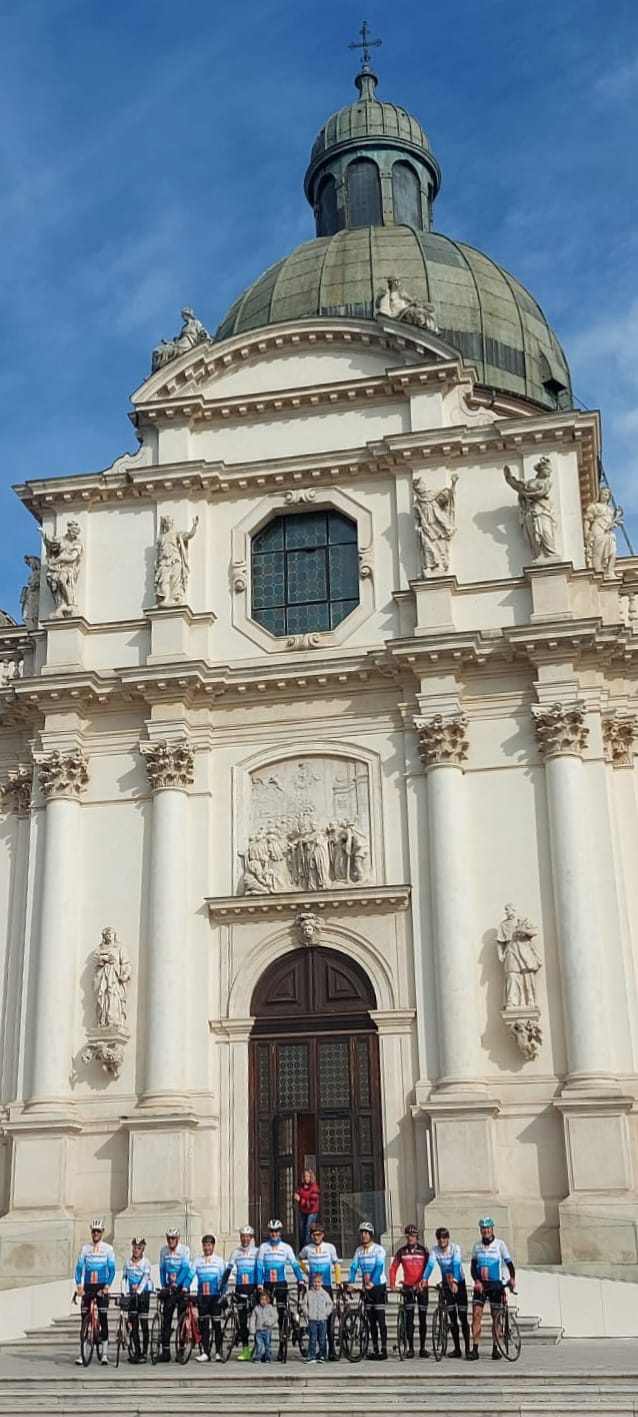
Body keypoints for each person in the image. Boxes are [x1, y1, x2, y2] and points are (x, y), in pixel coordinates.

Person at [255, 1219, 304, 1362]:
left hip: (281, 1283)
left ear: (280, 1232)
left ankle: (282, 1346)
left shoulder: (286, 1248)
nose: (273, 1234)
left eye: (276, 1231)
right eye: (271, 1231)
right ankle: (264, 1349)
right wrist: (259, 1284)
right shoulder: (263, 1247)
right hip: (268, 1284)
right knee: (264, 1315)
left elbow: (295, 1266)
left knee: (282, 1316)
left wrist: (300, 1279)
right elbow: (259, 1267)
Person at [469, 1218, 516, 1361]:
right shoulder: (476, 1246)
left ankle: (496, 1348)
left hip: (495, 1285)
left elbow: (509, 1263)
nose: (486, 1231)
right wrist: (476, 1281)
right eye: (483, 1228)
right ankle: (475, 1349)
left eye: (488, 1228)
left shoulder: (500, 1245)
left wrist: (512, 1278)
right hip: (481, 1285)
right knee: (476, 1316)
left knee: (496, 1318)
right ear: (480, 1230)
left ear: (492, 1229)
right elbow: (472, 1267)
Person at [422, 1226, 470, 1359]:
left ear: (448, 1238)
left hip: (459, 1282)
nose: (442, 1240)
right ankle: (457, 1349)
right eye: (439, 1238)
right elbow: (430, 1265)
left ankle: (467, 1349)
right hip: (446, 1284)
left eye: (444, 1237)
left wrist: (454, 1281)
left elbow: (456, 1264)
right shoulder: (434, 1250)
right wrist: (424, 1279)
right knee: (453, 1318)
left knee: (463, 1317)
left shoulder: (455, 1248)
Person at [74, 1219, 116, 1366]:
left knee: (103, 1318)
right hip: (88, 1286)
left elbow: (112, 1270)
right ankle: (82, 1353)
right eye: (93, 1231)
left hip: (101, 1285)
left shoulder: (108, 1249)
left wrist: (106, 1287)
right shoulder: (85, 1248)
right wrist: (79, 1286)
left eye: (98, 1231)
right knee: (84, 1319)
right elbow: (79, 1268)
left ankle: (104, 1353)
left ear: (102, 1232)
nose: (96, 1234)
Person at [299, 1222, 341, 1360]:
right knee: (314, 1319)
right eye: (314, 1235)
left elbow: (336, 1264)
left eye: (319, 1235)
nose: (316, 1237)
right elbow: (298, 1260)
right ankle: (317, 1351)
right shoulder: (307, 1249)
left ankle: (331, 1350)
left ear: (323, 1235)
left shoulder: (330, 1247)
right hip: (312, 1287)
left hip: (326, 1286)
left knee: (327, 1320)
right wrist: (306, 1273)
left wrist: (338, 1281)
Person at [348, 1221, 388, 1361]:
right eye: (362, 1233)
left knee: (380, 1320)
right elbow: (353, 1268)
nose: (364, 1236)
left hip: (378, 1287)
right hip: (366, 1288)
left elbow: (379, 1268)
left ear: (371, 1235)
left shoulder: (378, 1249)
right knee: (370, 1320)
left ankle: (383, 1349)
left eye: (366, 1233)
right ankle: (375, 1348)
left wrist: (372, 1282)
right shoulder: (358, 1251)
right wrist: (350, 1283)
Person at [389, 1224, 430, 1358]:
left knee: (423, 1319)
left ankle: (423, 1348)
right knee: (409, 1319)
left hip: (422, 1287)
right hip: (408, 1287)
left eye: (412, 1235)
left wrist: (422, 1282)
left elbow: (428, 1268)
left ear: (416, 1237)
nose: (410, 1238)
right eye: (408, 1235)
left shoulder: (424, 1251)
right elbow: (393, 1267)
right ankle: (411, 1348)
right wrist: (392, 1284)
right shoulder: (401, 1251)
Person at [188, 1234, 227, 1363]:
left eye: (209, 1245)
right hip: (202, 1297)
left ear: (213, 1246)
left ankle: (218, 1352)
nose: (207, 1247)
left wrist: (224, 1293)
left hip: (215, 1296)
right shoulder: (197, 1261)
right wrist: (185, 1287)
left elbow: (223, 1279)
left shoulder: (219, 1261)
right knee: (204, 1326)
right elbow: (190, 1275)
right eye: (205, 1245)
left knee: (217, 1326)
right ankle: (205, 1352)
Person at [158, 1227, 191, 1362]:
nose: (170, 1241)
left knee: (181, 1320)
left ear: (177, 1239)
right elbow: (162, 1270)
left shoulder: (184, 1250)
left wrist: (177, 1284)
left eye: (173, 1238)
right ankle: (165, 1352)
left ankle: (181, 1350)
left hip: (180, 1287)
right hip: (169, 1288)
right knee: (166, 1319)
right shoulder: (163, 1251)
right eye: (169, 1238)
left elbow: (185, 1269)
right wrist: (163, 1286)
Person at [226, 1224, 259, 1361]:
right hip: (240, 1288)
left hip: (253, 1288)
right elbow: (229, 1269)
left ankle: (258, 1347)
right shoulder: (235, 1252)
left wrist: (259, 1286)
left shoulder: (257, 1251)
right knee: (243, 1321)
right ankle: (245, 1350)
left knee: (257, 1321)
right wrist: (223, 1283)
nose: (245, 1239)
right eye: (243, 1237)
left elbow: (260, 1269)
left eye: (247, 1237)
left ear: (251, 1238)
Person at [120, 1237, 153, 1364]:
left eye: (139, 1248)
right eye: (134, 1247)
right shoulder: (127, 1263)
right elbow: (124, 1278)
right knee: (133, 1326)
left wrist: (139, 1291)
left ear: (143, 1250)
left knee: (144, 1325)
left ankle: (144, 1352)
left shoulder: (146, 1262)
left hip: (143, 1294)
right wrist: (124, 1293)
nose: (136, 1250)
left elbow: (145, 1278)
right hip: (132, 1295)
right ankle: (137, 1352)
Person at [303, 1271, 333, 1364]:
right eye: (315, 1282)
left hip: (322, 1320)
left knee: (322, 1339)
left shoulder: (324, 1293)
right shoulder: (308, 1293)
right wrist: (307, 1313)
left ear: (322, 1283)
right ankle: (311, 1355)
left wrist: (326, 1313)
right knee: (312, 1339)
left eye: (318, 1282)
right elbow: (304, 1304)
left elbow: (330, 1304)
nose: (317, 1284)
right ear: (312, 1282)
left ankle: (322, 1355)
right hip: (312, 1320)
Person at [294, 1169, 321, 1248]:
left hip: (312, 1212)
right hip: (302, 1211)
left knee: (308, 1229)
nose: (306, 1178)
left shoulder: (315, 1188)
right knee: (301, 1229)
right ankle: (301, 1247)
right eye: (305, 1176)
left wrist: (300, 1200)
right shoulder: (301, 1187)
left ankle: (307, 1248)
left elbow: (311, 1204)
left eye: (308, 1176)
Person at [251, 1290, 278, 1363]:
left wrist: (270, 1322)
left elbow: (275, 1316)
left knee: (267, 1345)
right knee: (259, 1346)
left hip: (267, 1330)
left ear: (268, 1300)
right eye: (261, 1299)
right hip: (259, 1331)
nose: (263, 1301)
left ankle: (267, 1358)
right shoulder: (256, 1308)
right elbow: (253, 1319)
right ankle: (258, 1358)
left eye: (265, 1300)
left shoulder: (270, 1308)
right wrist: (252, 1328)